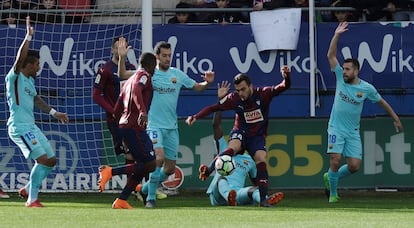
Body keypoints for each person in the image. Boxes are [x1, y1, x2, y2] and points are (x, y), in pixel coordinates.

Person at [119, 41, 214, 208]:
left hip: (172, 127)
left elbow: (197, 87)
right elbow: (123, 74)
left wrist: (207, 83)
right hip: (153, 125)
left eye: (169, 56)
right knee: (159, 158)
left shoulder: (176, 74)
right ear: (156, 57)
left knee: (170, 169)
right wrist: (122, 58)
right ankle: (150, 199)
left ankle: (145, 188)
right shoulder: (148, 74)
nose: (167, 59)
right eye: (164, 56)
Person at [186, 66, 291, 207]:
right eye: (237, 90)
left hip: (257, 137)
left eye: (243, 89)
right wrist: (196, 116)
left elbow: (284, 86)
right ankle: (210, 169)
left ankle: (263, 199)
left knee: (261, 158)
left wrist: (286, 77)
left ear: (250, 86)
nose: (240, 93)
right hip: (240, 132)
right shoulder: (234, 99)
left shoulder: (263, 94)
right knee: (233, 147)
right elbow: (213, 108)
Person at [323, 22, 403, 203]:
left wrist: (396, 119)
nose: (344, 72)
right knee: (335, 160)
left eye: (347, 69)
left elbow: (382, 102)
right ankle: (333, 195)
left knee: (354, 166)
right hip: (335, 128)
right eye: (343, 69)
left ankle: (330, 177)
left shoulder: (366, 88)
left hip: (352, 132)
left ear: (356, 71)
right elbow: (330, 55)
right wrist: (337, 35)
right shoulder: (339, 78)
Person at [6, 16, 69, 208]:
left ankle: (27, 188)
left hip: (31, 126)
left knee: (51, 160)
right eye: (37, 64)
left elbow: (35, 99)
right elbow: (19, 60)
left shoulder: (31, 82)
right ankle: (31, 199)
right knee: (41, 159)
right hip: (18, 128)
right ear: (29, 64)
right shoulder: (14, 77)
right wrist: (28, 37)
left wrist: (54, 112)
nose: (39, 67)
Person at [206, 81, 284, 207]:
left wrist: (258, 189)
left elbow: (257, 181)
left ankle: (265, 200)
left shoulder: (250, 160)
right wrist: (220, 100)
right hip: (217, 195)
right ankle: (228, 197)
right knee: (221, 179)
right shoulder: (225, 148)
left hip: (237, 195)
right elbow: (216, 125)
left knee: (254, 190)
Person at [98, 50, 158, 209]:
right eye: (155, 66)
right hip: (134, 126)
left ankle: (121, 200)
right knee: (151, 164)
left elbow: (118, 106)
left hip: (126, 126)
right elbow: (138, 90)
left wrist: (119, 129)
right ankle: (110, 172)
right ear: (151, 65)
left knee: (142, 165)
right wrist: (143, 111)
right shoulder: (144, 75)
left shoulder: (129, 80)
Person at [93, 37, 136, 165]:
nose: (120, 50)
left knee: (135, 152)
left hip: (130, 116)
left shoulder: (131, 67)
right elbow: (96, 95)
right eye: (118, 47)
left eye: (123, 47)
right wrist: (112, 111)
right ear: (112, 50)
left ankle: (132, 183)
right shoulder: (105, 69)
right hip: (115, 119)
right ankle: (130, 184)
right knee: (129, 151)